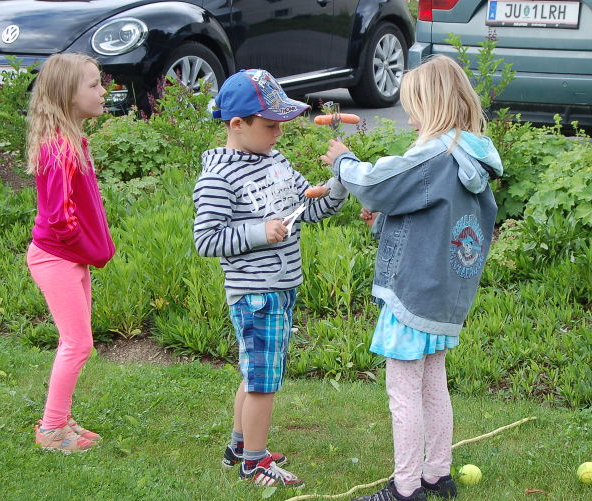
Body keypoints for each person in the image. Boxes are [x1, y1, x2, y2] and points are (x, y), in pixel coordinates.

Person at [320, 55, 503, 501]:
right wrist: (381, 221)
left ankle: (405, 489)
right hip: (445, 294)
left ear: (432, 105)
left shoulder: (436, 154)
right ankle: (437, 475)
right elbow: (429, 215)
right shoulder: (470, 157)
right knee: (433, 382)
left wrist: (344, 162)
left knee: (403, 389)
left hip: (413, 293)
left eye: (413, 106)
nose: (410, 116)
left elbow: (380, 183)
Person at [193, 69, 348, 489]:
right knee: (264, 380)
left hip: (282, 287)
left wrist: (335, 188)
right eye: (270, 125)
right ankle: (255, 463)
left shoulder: (275, 162)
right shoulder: (218, 178)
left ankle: (239, 447)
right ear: (237, 125)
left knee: (255, 372)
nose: (279, 133)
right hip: (255, 293)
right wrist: (260, 232)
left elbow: (306, 209)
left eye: (280, 124)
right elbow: (206, 240)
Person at [26, 53, 116, 454]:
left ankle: (60, 420)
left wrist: (90, 252)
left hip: (69, 257)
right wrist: (92, 250)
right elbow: (61, 221)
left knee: (80, 343)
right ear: (67, 95)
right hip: (56, 258)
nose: (103, 92)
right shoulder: (60, 149)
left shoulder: (72, 140)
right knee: (76, 344)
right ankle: (51, 429)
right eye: (94, 85)